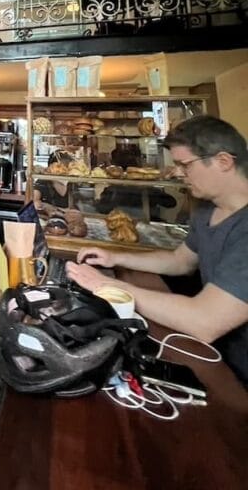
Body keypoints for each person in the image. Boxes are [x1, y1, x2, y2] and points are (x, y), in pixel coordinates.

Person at [66, 115, 248, 384]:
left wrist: (108, 287)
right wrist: (114, 257)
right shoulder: (209, 210)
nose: (178, 173)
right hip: (217, 357)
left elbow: (205, 320)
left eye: (185, 165)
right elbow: (180, 261)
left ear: (223, 161)